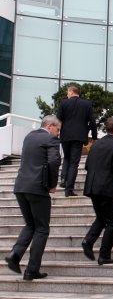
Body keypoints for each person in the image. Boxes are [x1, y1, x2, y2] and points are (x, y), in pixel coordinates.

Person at [4, 115, 61, 281]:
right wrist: (52, 184)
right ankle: (32, 270)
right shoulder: (51, 140)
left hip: (21, 186)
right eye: (57, 129)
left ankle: (15, 254)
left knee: (30, 224)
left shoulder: (29, 137)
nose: (58, 133)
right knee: (42, 228)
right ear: (50, 126)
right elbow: (53, 162)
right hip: (38, 188)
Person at [82, 117, 113, 266]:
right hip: (108, 188)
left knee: (101, 218)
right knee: (112, 223)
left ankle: (88, 240)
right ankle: (104, 255)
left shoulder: (96, 144)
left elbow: (87, 165)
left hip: (93, 187)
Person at [57, 85, 97, 197]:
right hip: (79, 137)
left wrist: (56, 134)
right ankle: (69, 189)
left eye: (67, 92)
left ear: (71, 92)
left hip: (65, 136)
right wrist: (94, 136)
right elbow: (92, 121)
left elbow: (58, 120)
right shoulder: (86, 104)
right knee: (74, 163)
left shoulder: (63, 103)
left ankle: (63, 180)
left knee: (67, 158)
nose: (67, 94)